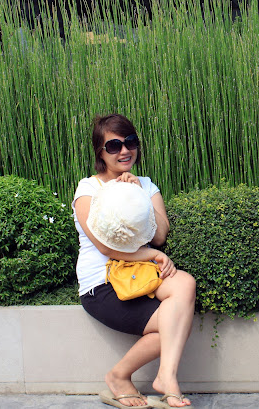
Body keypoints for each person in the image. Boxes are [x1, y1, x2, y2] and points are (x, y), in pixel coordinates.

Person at [72, 114, 195, 409]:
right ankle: (119, 376)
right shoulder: (88, 190)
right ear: (100, 152)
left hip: (139, 276)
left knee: (185, 283)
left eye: (130, 142)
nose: (125, 151)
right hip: (102, 284)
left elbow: (160, 236)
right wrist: (152, 255)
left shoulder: (146, 186)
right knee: (173, 326)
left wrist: (137, 194)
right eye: (114, 146)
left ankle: (165, 376)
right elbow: (104, 246)